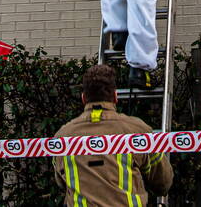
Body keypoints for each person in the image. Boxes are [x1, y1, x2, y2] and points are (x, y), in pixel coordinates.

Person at [53, 65, 173, 206]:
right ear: (115, 96)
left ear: (83, 98)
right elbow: (163, 182)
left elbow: (61, 183)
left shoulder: (62, 137)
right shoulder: (138, 131)